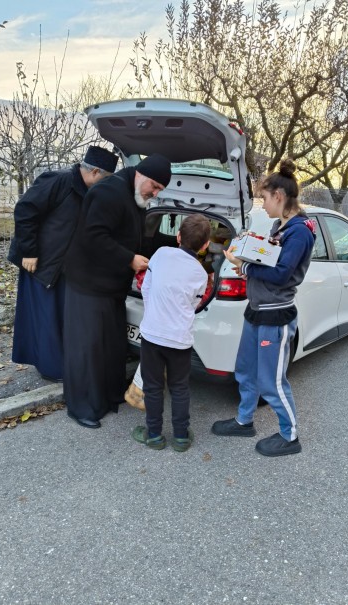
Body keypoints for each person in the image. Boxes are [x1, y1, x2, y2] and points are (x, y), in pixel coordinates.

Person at [211, 159, 316, 457]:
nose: (263, 203)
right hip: (257, 310)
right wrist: (249, 257)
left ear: (279, 196)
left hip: (276, 315)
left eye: (265, 197)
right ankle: (244, 421)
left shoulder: (300, 232)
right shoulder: (279, 225)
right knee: (245, 370)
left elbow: (281, 273)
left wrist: (244, 267)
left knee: (271, 382)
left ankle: (289, 435)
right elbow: (269, 260)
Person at [63, 153, 172, 429]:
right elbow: (94, 236)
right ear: (142, 175)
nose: (155, 194)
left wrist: (180, 245)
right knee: (86, 348)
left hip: (112, 286)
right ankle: (81, 406)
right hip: (87, 283)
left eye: (160, 190)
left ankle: (110, 395)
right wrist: (129, 258)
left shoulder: (136, 195)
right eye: (155, 187)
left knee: (112, 346)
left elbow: (143, 237)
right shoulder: (109, 192)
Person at [8, 146, 119, 381]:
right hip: (40, 264)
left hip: (63, 268)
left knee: (58, 318)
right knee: (45, 319)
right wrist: (29, 251)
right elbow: (25, 210)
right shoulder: (58, 181)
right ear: (95, 172)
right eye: (107, 178)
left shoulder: (88, 191)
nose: (108, 184)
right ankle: (52, 370)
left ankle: (57, 364)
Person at [132, 214, 211, 451]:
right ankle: (181, 436)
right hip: (180, 340)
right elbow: (194, 305)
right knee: (179, 388)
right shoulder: (200, 273)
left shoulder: (161, 254)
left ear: (178, 236)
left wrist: (155, 312)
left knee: (153, 386)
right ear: (205, 245)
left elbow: (146, 287)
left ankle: (154, 435)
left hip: (152, 334)